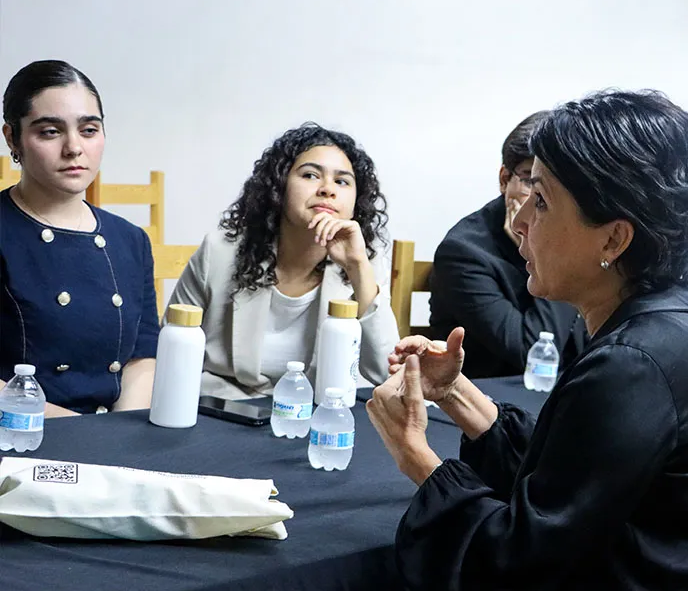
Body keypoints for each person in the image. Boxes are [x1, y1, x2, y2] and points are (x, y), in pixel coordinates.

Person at [367, 90, 688, 590]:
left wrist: (411, 448)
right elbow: (573, 476)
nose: (519, 220)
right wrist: (456, 392)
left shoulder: (634, 364)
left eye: (541, 201)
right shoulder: (674, 319)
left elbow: (515, 560)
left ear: (612, 239)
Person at [169, 123, 398, 398]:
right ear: (279, 186)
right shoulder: (220, 252)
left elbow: (386, 373)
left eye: (342, 181)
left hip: (315, 417)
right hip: (225, 411)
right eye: (311, 175)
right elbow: (170, 351)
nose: (328, 189)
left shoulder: (364, 262)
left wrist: (358, 267)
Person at [0, 60, 158, 416]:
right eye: (50, 132)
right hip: (21, 435)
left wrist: (119, 440)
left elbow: (143, 357)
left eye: (88, 130)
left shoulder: (130, 240)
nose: (74, 148)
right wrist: (85, 437)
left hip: (114, 437)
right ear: (13, 138)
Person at [429, 111, 587, 379]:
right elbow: (532, 353)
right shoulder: (463, 253)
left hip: (569, 389)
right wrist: (548, 254)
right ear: (504, 180)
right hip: (488, 402)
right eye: (530, 180)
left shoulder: (578, 230)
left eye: (560, 184)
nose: (545, 197)